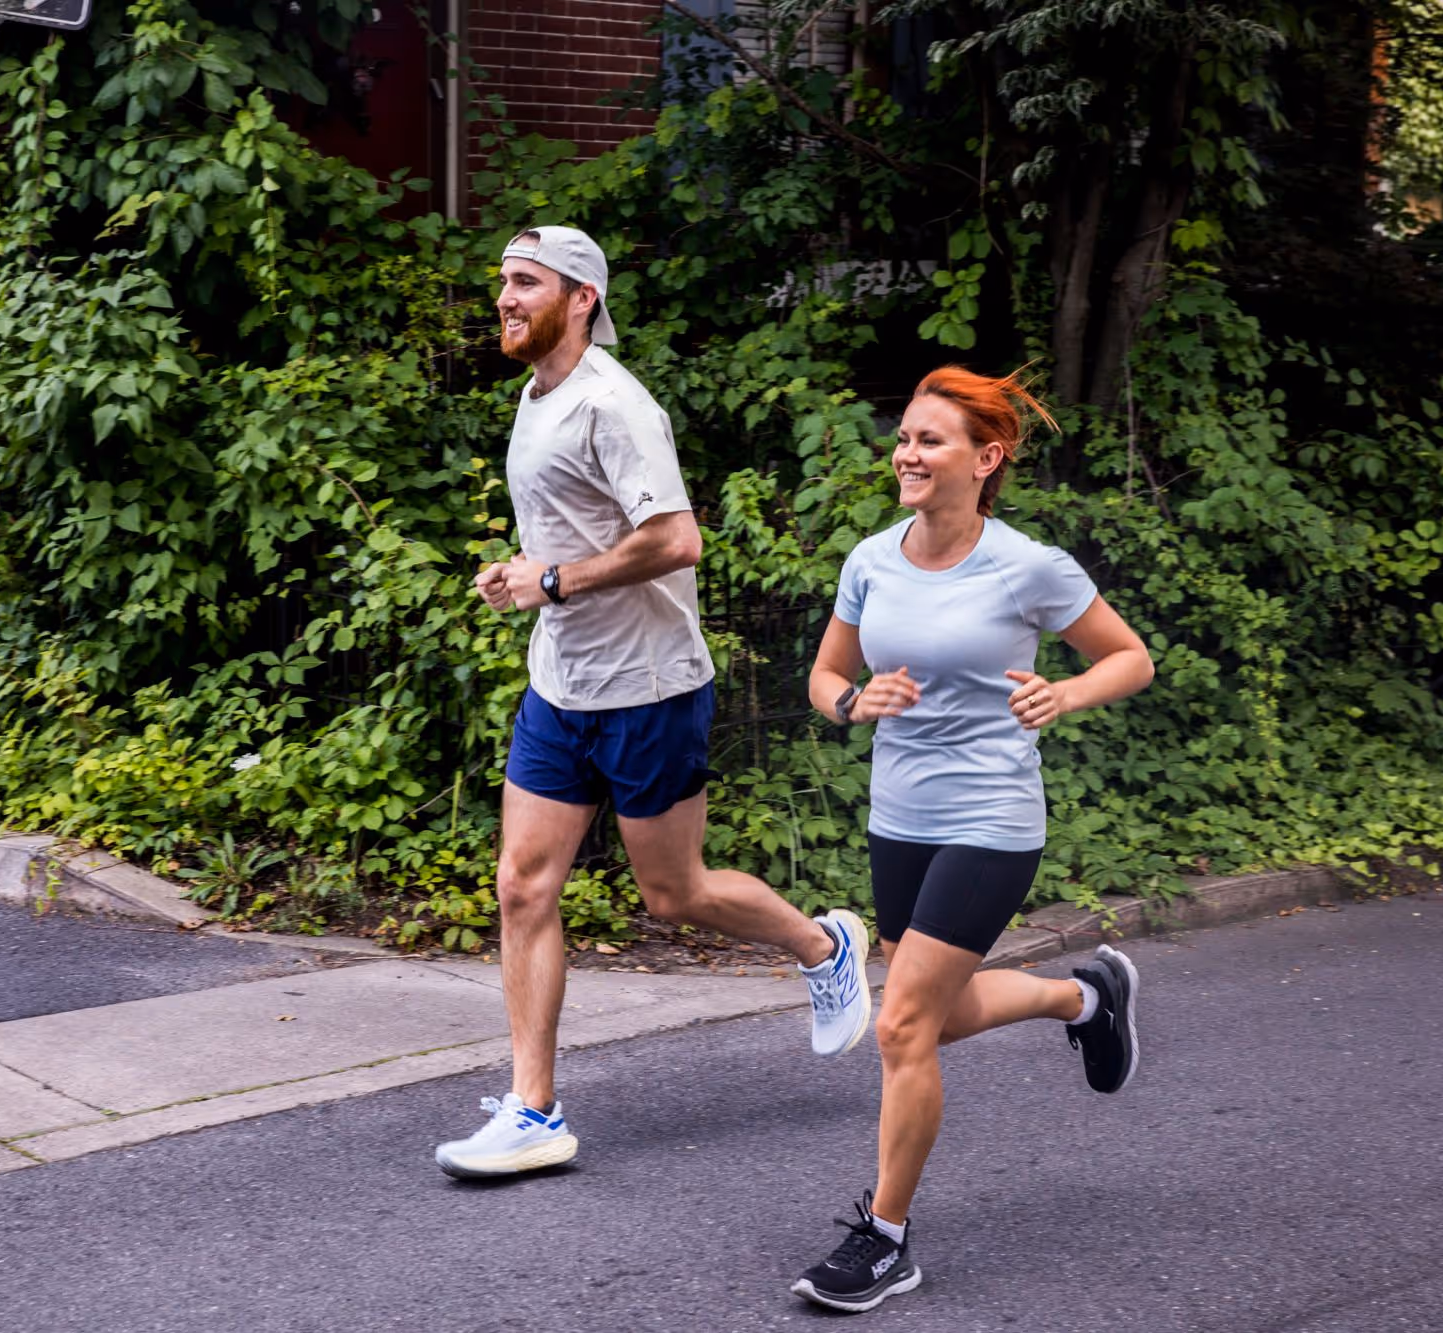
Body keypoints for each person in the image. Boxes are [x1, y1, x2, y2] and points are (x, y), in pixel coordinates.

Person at [434, 225, 874, 1179]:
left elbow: (678, 541)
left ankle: (822, 945)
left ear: (581, 296)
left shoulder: (615, 406)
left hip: (649, 688)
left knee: (673, 894)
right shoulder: (537, 394)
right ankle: (534, 1110)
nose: (504, 298)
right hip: (564, 683)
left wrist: (553, 582)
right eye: (502, 283)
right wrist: (530, 580)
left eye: (524, 282)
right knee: (522, 884)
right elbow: (568, 537)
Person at [789, 365, 1156, 1313]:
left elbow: (1130, 657)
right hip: (898, 818)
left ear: (985, 459)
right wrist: (850, 703)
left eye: (930, 440)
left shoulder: (1027, 565)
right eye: (905, 437)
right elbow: (827, 676)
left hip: (992, 818)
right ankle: (1085, 994)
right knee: (932, 1017)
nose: (908, 454)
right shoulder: (871, 559)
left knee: (902, 1023)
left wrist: (1064, 692)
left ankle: (884, 1235)